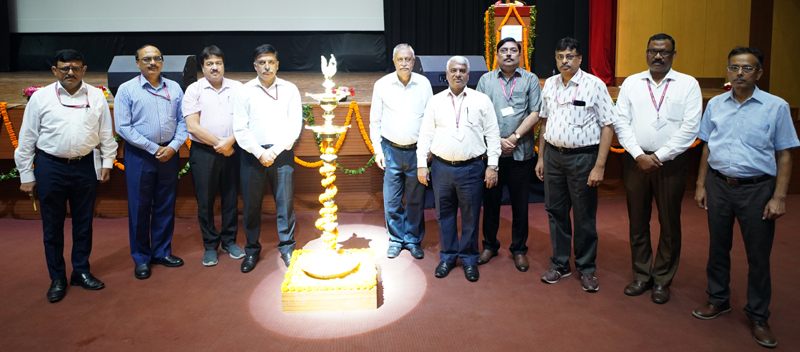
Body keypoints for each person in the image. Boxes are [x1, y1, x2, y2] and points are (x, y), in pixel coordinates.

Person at [692, 46, 798, 349]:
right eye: (735, 68)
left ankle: (758, 314)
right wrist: (701, 184)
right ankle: (718, 299)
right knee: (718, 247)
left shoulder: (776, 106)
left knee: (758, 255)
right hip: (719, 185)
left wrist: (779, 197)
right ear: (728, 71)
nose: (740, 73)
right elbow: (707, 146)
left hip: (757, 189)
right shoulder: (715, 104)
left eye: (747, 68)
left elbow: (785, 154)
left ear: (759, 73)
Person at [14, 49, 118, 302]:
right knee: (53, 226)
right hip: (51, 167)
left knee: (83, 224)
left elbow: (106, 133)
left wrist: (107, 161)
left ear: (84, 70)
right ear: (55, 70)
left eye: (75, 68)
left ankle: (81, 271)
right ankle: (57, 277)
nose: (70, 73)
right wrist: (26, 174)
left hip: (85, 166)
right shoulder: (40, 98)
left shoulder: (96, 96)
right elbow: (27, 138)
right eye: (64, 68)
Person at [613, 33, 702, 303]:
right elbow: (621, 122)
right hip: (635, 162)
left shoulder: (687, 84)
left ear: (674, 55)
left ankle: (662, 279)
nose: (658, 56)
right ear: (646, 53)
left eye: (664, 52)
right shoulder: (632, 83)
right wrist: (639, 155)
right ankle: (641, 275)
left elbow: (690, 128)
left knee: (669, 222)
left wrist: (660, 156)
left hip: (671, 164)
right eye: (653, 51)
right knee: (637, 221)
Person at [536, 37, 616, 292]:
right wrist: (541, 157)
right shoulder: (549, 84)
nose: (564, 61)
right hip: (553, 158)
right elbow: (544, 122)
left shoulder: (594, 85)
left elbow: (608, 125)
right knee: (555, 212)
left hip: (584, 158)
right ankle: (560, 264)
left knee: (583, 216)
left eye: (570, 56)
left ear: (580, 59)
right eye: (560, 56)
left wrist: (600, 165)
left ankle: (586, 267)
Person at [417, 56, 501, 282]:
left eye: (462, 71)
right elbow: (425, 135)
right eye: (453, 70)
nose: (458, 74)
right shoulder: (435, 101)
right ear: (446, 74)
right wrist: (422, 165)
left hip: (472, 168)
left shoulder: (481, 100)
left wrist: (492, 165)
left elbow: (493, 134)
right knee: (444, 216)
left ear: (468, 74)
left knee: (471, 216)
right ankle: (447, 256)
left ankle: (469, 259)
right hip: (442, 168)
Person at [115, 44, 187, 280]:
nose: (152, 63)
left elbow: (183, 122)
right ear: (137, 63)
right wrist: (154, 148)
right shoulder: (127, 90)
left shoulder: (175, 88)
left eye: (157, 58)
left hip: (169, 153)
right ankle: (141, 258)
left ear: (162, 62)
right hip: (140, 155)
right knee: (139, 207)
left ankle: (162, 252)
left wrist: (174, 146)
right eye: (146, 59)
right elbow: (123, 127)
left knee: (165, 204)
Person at [233, 44, 301, 273]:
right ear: (255, 65)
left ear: (277, 64)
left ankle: (287, 248)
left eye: (271, 61)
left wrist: (275, 151)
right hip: (253, 155)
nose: (266, 66)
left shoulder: (290, 89)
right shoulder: (244, 90)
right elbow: (240, 128)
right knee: (252, 206)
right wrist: (260, 152)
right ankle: (252, 250)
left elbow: (295, 126)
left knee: (285, 204)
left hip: (281, 154)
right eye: (262, 62)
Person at [476, 37, 541, 272]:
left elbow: (536, 112)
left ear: (521, 55)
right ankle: (489, 245)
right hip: (491, 155)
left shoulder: (530, 79)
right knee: (490, 203)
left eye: (514, 50)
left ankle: (519, 249)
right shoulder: (485, 80)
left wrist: (513, 138)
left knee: (520, 205)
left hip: (520, 153)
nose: (509, 54)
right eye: (504, 50)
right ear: (497, 55)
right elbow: (479, 114)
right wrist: (497, 141)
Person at [182, 45, 244, 267]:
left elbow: (246, 121)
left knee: (230, 198)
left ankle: (229, 241)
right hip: (204, 152)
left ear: (224, 65)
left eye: (218, 63)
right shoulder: (194, 90)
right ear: (202, 67)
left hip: (233, 149)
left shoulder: (238, 88)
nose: (214, 67)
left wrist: (230, 143)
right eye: (209, 64)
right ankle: (210, 245)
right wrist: (221, 144)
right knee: (205, 201)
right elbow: (192, 127)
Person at [369, 43, 433, 260]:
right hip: (391, 151)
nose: (404, 63)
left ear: (413, 62)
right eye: (400, 59)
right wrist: (378, 151)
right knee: (392, 200)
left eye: (408, 59)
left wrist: (426, 151)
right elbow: (375, 121)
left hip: (416, 152)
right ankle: (396, 239)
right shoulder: (382, 85)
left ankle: (413, 239)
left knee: (416, 200)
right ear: (394, 61)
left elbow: (429, 120)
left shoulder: (424, 84)